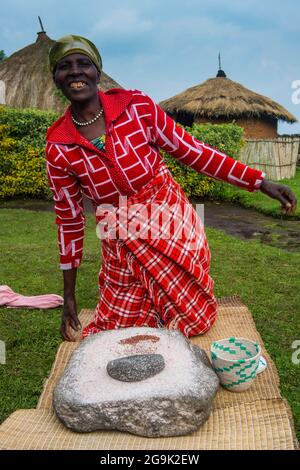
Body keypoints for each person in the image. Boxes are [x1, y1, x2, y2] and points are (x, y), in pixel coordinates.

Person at [46, 35, 297, 342]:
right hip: (120, 236)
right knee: (119, 331)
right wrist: (68, 296)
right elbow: (69, 221)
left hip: (168, 217)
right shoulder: (59, 146)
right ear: (55, 77)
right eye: (64, 66)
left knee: (193, 321)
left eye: (83, 63)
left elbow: (195, 151)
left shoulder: (136, 108)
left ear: (97, 71)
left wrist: (259, 182)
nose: (75, 71)